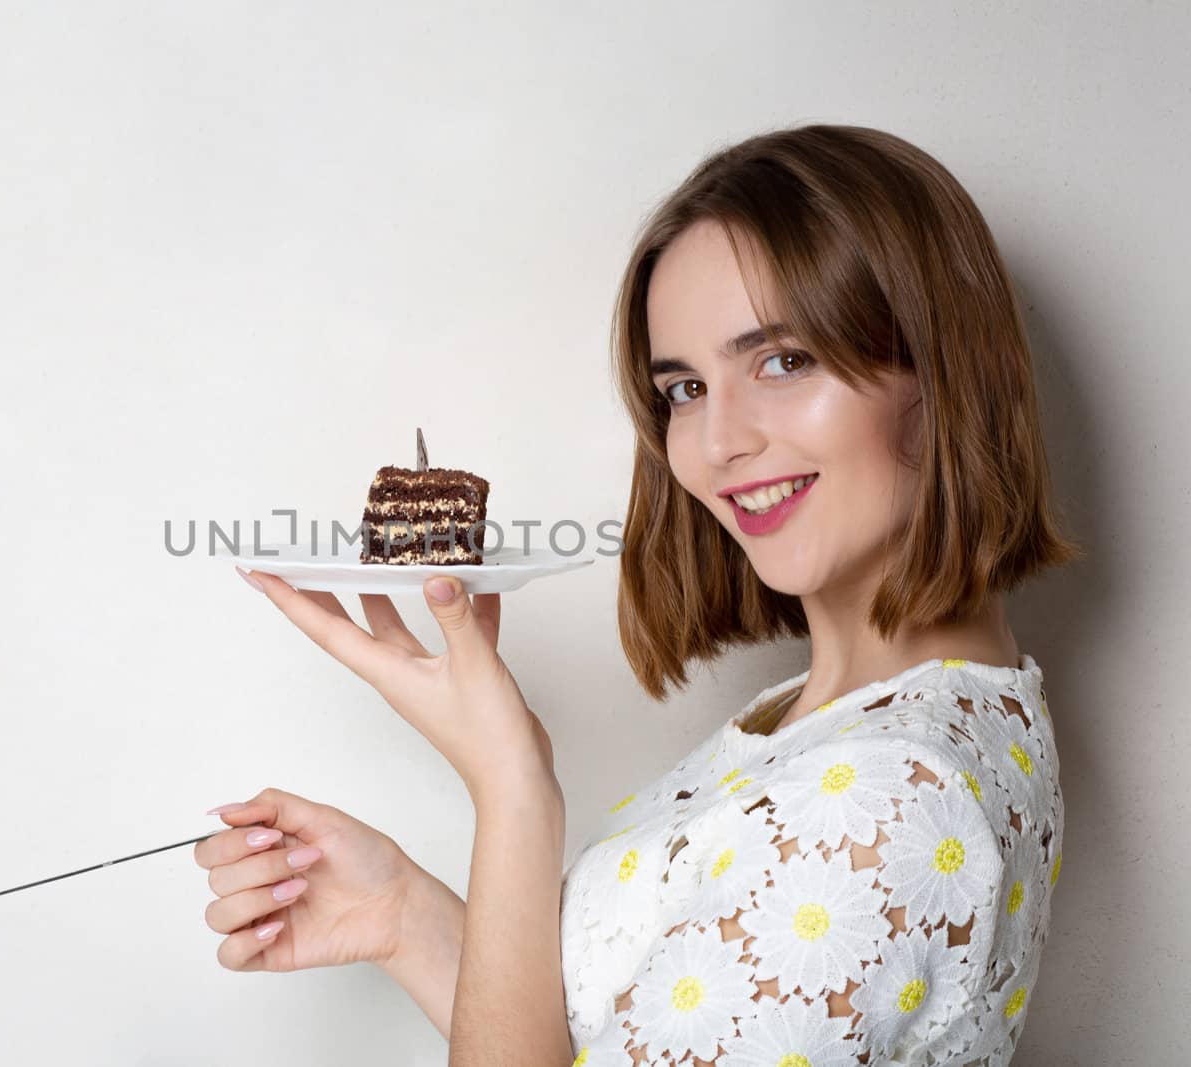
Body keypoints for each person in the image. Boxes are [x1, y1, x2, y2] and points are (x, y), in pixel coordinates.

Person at [196, 123, 1077, 1066]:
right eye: (687, 388)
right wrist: (404, 913)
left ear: (941, 374)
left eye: (784, 360)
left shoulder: (881, 802)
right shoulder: (845, 718)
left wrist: (511, 785)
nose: (718, 440)